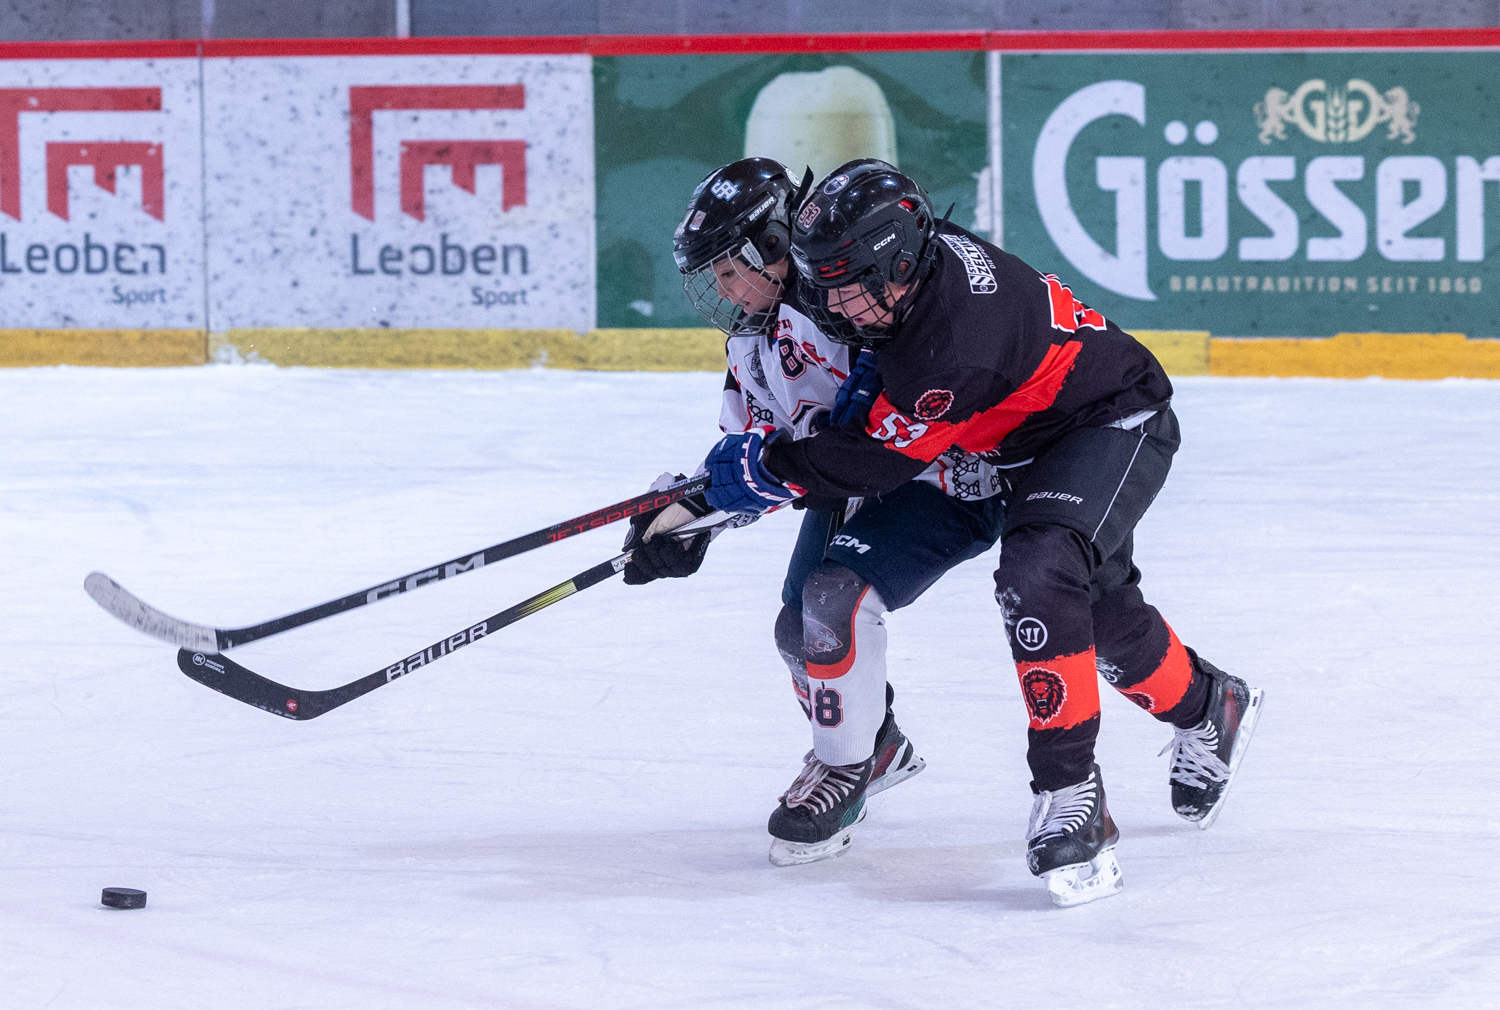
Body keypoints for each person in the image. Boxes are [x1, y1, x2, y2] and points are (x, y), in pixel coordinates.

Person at [699, 159, 1264, 907]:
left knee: (1040, 575)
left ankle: (1071, 795)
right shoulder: (891, 282)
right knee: (1092, 613)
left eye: (845, 287)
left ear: (898, 268)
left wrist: (763, 469)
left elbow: (871, 463)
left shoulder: (951, 339)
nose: (831, 307)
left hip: (1101, 423)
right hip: (990, 450)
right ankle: (1210, 705)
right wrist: (696, 508)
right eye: (820, 284)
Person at [623, 157, 1011, 866]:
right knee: (797, 628)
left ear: (773, 244)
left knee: (831, 606)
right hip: (857, 473)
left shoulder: (854, 302)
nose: (723, 289)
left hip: (948, 476)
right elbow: (767, 449)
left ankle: (844, 770)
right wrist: (692, 514)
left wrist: (730, 494)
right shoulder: (754, 336)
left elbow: (852, 443)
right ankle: (876, 747)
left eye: (731, 269)